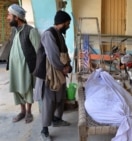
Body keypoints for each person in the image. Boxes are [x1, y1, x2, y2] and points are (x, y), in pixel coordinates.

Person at [33, 10, 72, 141]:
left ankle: (57, 119)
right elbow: (53, 56)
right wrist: (63, 68)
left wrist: (68, 66)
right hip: (48, 74)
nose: (68, 26)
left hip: (59, 72)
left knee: (60, 98)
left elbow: (64, 53)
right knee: (48, 101)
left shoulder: (59, 35)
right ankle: (44, 130)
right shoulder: (48, 34)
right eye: (67, 23)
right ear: (61, 23)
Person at [6, 4, 40, 123]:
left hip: (26, 67)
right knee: (17, 89)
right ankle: (22, 111)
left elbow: (39, 51)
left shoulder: (31, 31)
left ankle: (29, 112)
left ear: (16, 17)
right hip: (15, 67)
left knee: (27, 88)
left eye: (9, 15)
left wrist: (38, 69)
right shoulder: (14, 31)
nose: (7, 17)